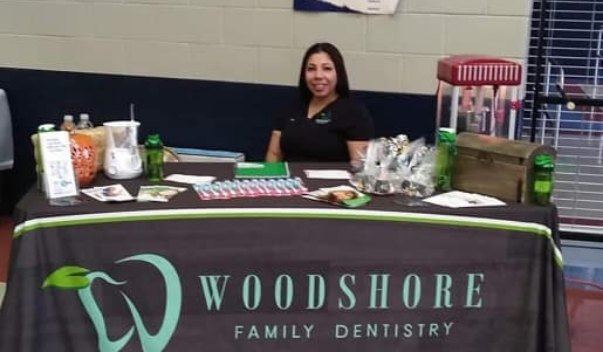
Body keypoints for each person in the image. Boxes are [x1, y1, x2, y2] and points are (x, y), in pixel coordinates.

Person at [265, 42, 374, 162]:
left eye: (327, 69)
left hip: (333, 181)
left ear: (338, 73)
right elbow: (274, 154)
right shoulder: (292, 107)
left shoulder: (354, 113)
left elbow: (359, 166)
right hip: (291, 180)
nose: (318, 75)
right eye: (311, 69)